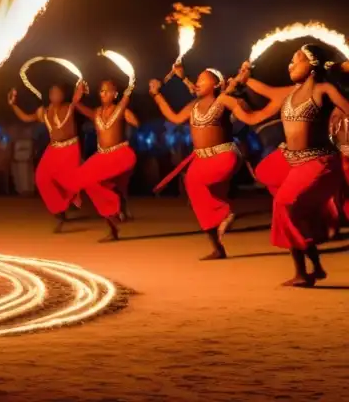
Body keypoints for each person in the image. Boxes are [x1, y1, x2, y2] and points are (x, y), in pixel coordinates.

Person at [229, 46, 349, 286]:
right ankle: (314, 267)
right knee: (285, 198)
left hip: (320, 163)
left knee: (284, 204)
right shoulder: (288, 94)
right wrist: (244, 81)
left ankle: (302, 273)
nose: (290, 65)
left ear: (313, 64)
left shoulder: (323, 89)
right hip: (292, 162)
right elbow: (262, 99)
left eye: (297, 60)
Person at [149, 65, 244, 259]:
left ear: (217, 84)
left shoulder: (223, 101)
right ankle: (217, 247)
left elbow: (237, 102)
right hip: (201, 158)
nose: (198, 83)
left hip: (223, 156)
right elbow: (174, 118)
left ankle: (225, 213)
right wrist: (157, 95)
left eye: (203, 79)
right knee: (200, 203)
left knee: (194, 182)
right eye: (197, 80)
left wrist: (239, 80)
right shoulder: (193, 106)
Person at [71, 79, 139, 241]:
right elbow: (77, 107)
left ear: (115, 94)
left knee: (102, 184)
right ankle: (113, 224)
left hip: (119, 154)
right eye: (101, 91)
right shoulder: (96, 113)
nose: (104, 94)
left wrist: (126, 114)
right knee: (86, 181)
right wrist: (77, 95)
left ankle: (116, 201)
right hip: (101, 156)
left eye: (107, 91)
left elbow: (136, 123)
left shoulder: (121, 110)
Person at [8, 83, 82, 231]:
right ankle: (59, 209)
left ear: (62, 95)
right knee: (41, 178)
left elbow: (77, 98)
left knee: (67, 179)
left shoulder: (69, 107)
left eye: (58, 92)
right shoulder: (44, 112)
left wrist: (79, 89)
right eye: (52, 93)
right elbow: (26, 118)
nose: (55, 95)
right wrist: (13, 105)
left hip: (70, 148)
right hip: (53, 149)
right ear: (49, 96)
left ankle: (72, 197)